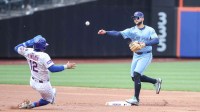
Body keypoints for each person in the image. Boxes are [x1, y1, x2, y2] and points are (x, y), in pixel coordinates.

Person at [98, 11, 162, 106]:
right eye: (134, 18)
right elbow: (118, 34)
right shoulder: (131, 30)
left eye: (137, 17)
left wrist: (145, 43)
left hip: (146, 55)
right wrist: (106, 32)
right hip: (136, 55)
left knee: (136, 74)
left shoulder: (149, 30)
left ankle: (136, 99)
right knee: (134, 77)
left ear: (142, 18)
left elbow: (156, 40)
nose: (135, 19)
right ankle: (156, 81)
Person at [14, 35, 76, 109]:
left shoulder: (28, 51)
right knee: (48, 100)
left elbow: (16, 48)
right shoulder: (44, 56)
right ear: (43, 47)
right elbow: (52, 69)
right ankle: (31, 105)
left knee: (51, 92)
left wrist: (30, 41)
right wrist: (66, 66)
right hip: (43, 85)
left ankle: (51, 93)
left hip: (32, 82)